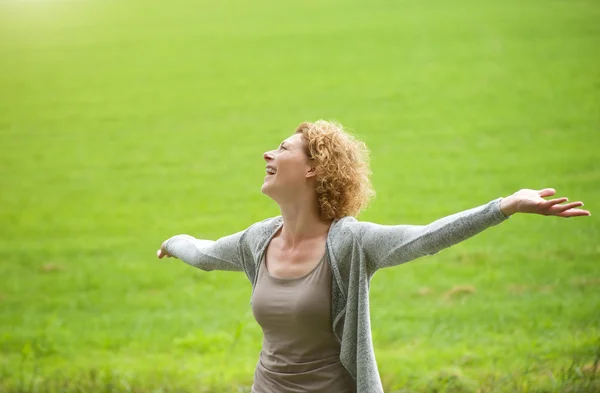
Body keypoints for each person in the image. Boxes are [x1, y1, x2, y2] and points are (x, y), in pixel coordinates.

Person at [157, 120, 590, 393]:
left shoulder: (350, 243)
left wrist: (504, 206)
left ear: (313, 169)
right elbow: (206, 253)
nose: (268, 154)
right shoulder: (258, 241)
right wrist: (174, 241)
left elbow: (426, 237)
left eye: (283, 148)